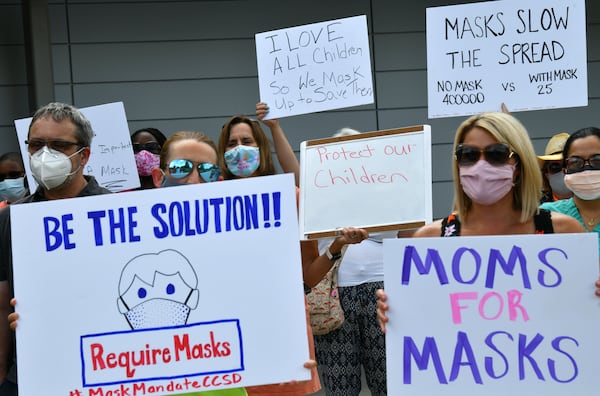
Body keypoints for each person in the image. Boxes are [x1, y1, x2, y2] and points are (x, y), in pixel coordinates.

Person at [375, 111, 585, 331]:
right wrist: (396, 315)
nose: (481, 165)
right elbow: (419, 324)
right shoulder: (429, 241)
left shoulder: (564, 233)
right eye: (468, 154)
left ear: (519, 166)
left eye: (497, 154)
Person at [0, 102, 112, 395]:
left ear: (84, 154)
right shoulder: (11, 218)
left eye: (59, 145)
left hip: (105, 370)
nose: (44, 155)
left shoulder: (116, 212)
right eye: (36, 145)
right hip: (30, 374)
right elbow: (1, 304)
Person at [314, 128, 388, 396]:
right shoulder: (316, 197)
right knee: (340, 387)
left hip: (382, 292)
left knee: (389, 381)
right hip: (334, 296)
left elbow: (410, 239)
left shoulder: (390, 190)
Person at [540, 127, 600, 251]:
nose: (587, 170)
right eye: (575, 162)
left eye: (597, 160)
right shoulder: (545, 215)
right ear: (565, 170)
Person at [217, 102, 299, 184]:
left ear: (260, 147)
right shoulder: (216, 191)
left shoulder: (275, 186)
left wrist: (274, 127)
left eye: (246, 142)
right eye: (232, 144)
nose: (239, 148)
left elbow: (299, 183)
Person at [538, 132, 573, 203]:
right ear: (546, 174)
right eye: (555, 167)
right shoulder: (535, 209)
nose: (563, 171)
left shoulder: (595, 204)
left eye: (569, 165)